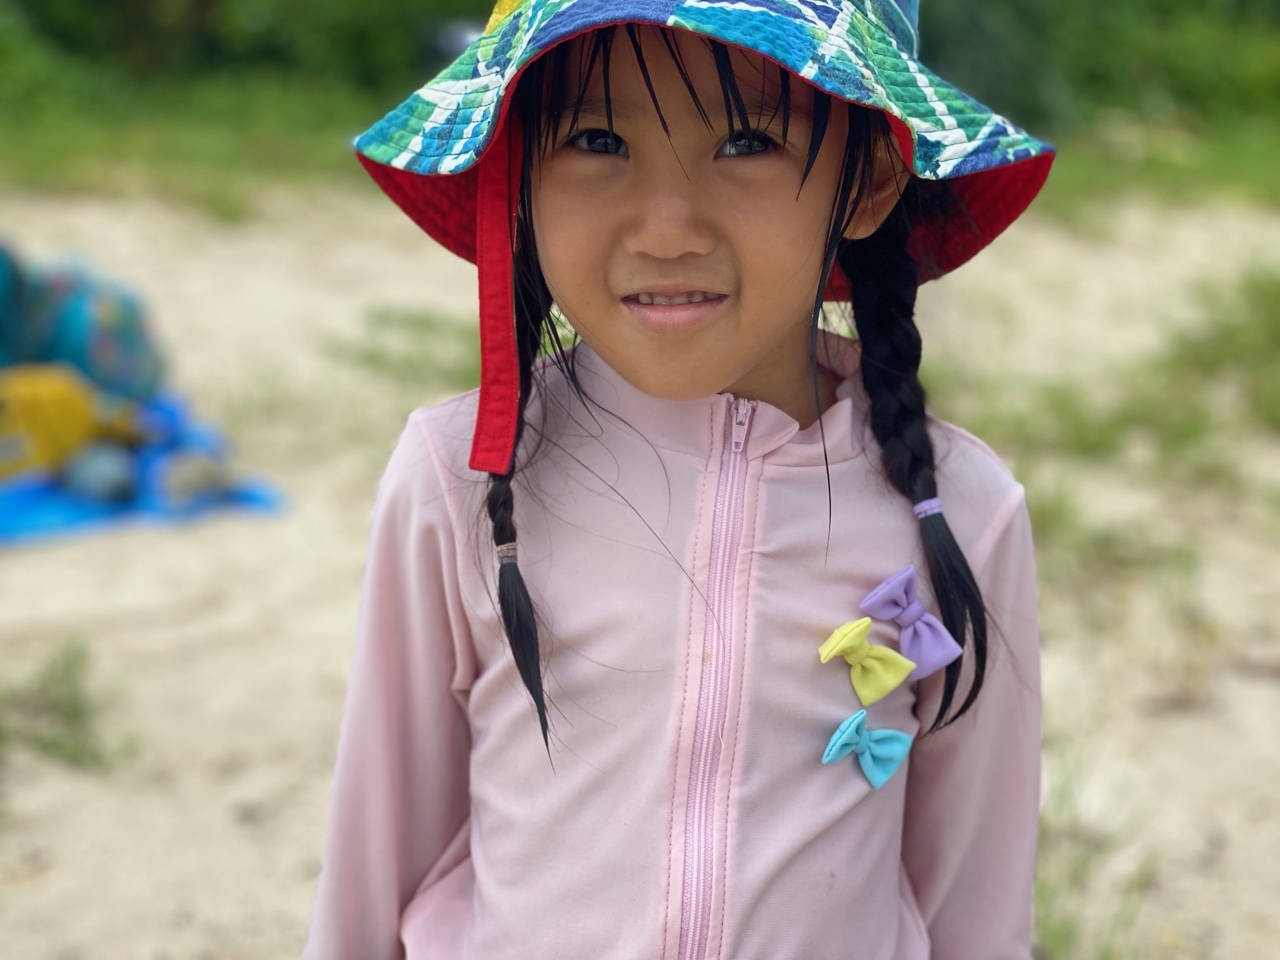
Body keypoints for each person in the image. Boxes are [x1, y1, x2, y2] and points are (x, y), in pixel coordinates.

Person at [306, 1, 1052, 957]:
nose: (665, 229)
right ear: (520, 173)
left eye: (746, 139)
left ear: (867, 181)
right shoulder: (455, 484)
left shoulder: (962, 516)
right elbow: (372, 875)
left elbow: (976, 918)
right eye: (596, 136)